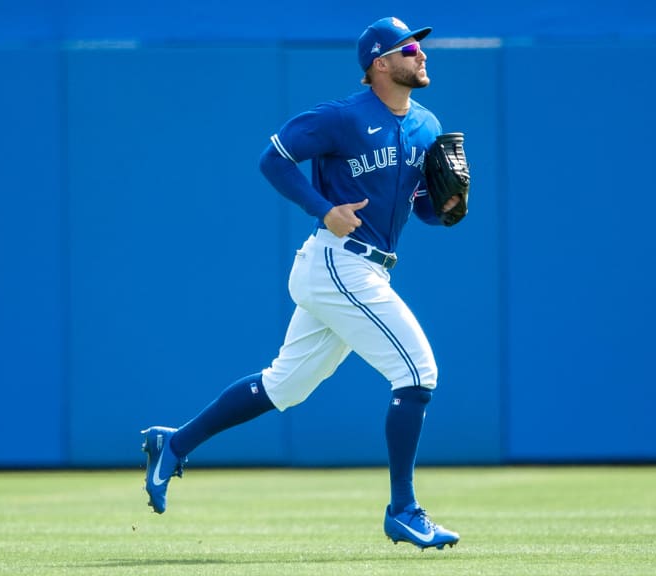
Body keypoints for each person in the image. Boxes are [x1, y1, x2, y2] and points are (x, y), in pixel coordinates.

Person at [140, 16, 462, 550]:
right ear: (379, 62)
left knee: (284, 385)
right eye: (409, 48)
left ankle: (174, 443)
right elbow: (275, 159)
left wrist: (444, 208)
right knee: (417, 372)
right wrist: (323, 207)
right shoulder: (342, 117)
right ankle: (403, 510)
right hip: (339, 261)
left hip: (369, 265)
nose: (421, 55)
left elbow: (420, 208)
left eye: (420, 48)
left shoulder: (426, 124)